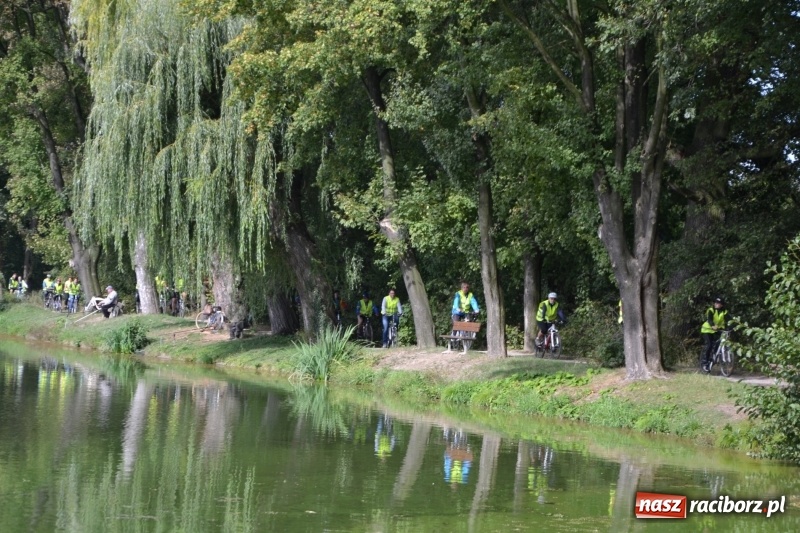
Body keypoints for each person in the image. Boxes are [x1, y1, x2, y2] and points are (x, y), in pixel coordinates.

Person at [700, 296, 729, 372]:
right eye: (716, 303)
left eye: (719, 303)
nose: (717, 304)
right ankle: (705, 363)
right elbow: (709, 319)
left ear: (722, 305)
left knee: (720, 343)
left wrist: (732, 327)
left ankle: (714, 357)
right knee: (709, 345)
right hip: (707, 329)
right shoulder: (711, 310)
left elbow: (729, 320)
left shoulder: (724, 311)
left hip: (718, 330)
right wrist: (713, 325)